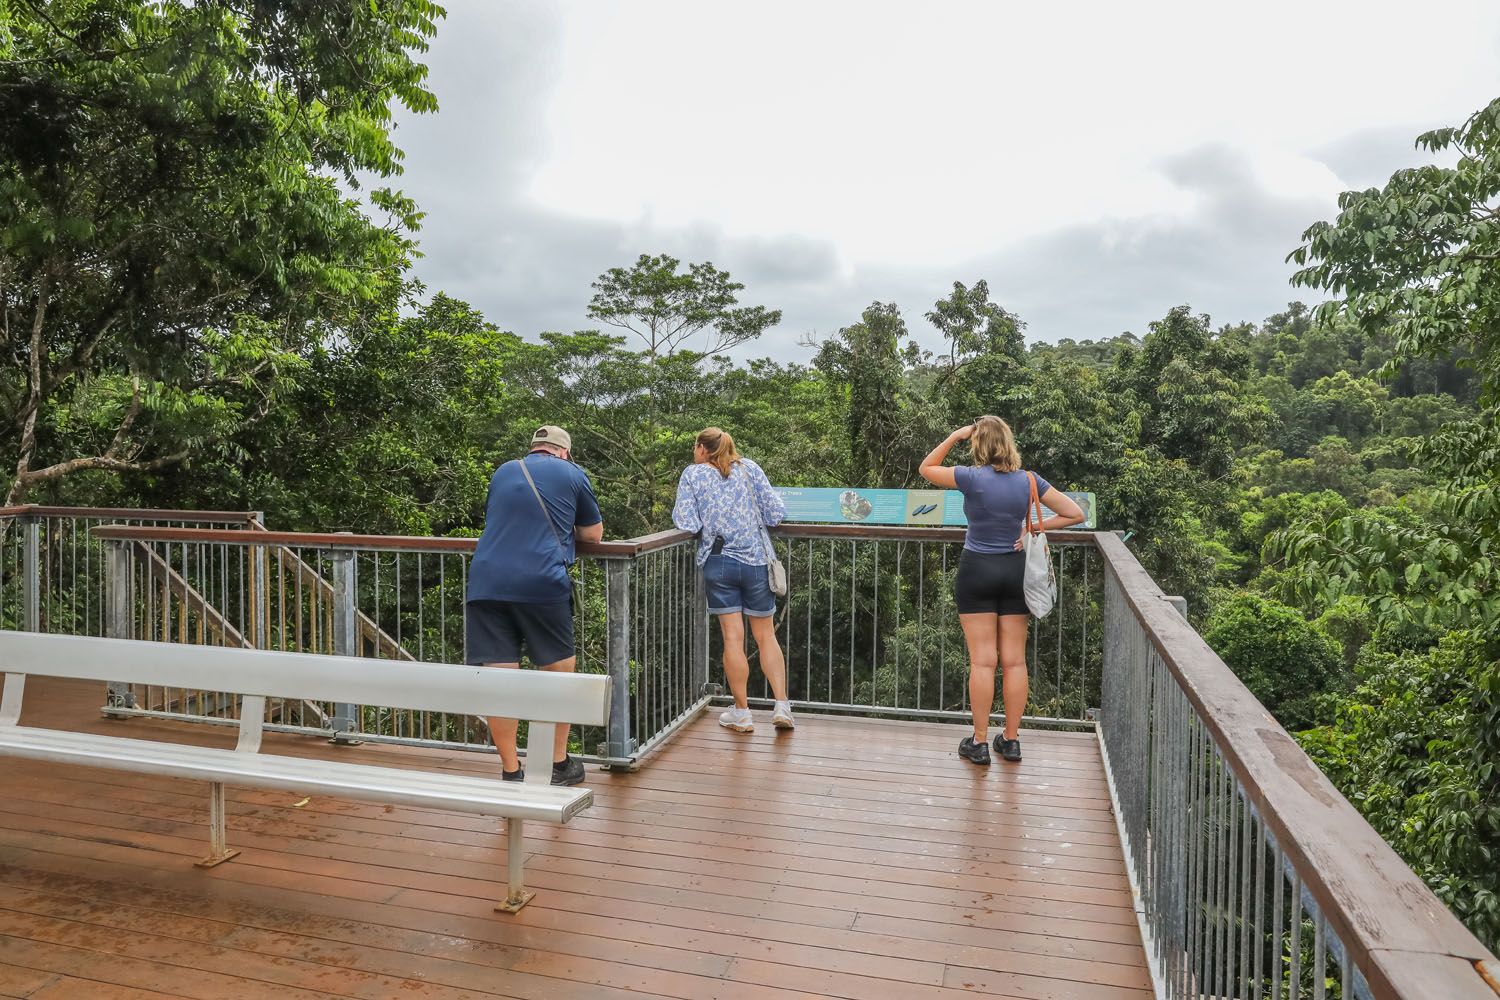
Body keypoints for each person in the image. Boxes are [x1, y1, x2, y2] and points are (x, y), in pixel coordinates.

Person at [918, 416, 1085, 765]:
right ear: (1008, 443)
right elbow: (1075, 513)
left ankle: (978, 743)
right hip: (1015, 571)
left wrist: (954, 435)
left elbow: (927, 468)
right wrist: (1031, 525)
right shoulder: (1029, 480)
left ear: (979, 445)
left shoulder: (970, 477)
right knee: (1014, 661)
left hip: (977, 570)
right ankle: (1010, 741)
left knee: (982, 660)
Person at [466, 425, 603, 785]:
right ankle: (558, 763)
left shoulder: (504, 470)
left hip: (486, 581)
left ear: (534, 450)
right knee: (558, 670)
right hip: (540, 580)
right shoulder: (573, 473)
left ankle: (511, 770)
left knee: (500, 680)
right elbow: (593, 534)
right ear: (563, 452)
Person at [672, 427, 794, 733]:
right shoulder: (749, 468)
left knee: (732, 638)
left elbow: (686, 521)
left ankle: (742, 713)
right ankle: (782, 706)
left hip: (719, 562)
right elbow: (775, 513)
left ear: (702, 448)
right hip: (755, 562)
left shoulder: (693, 474)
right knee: (766, 636)